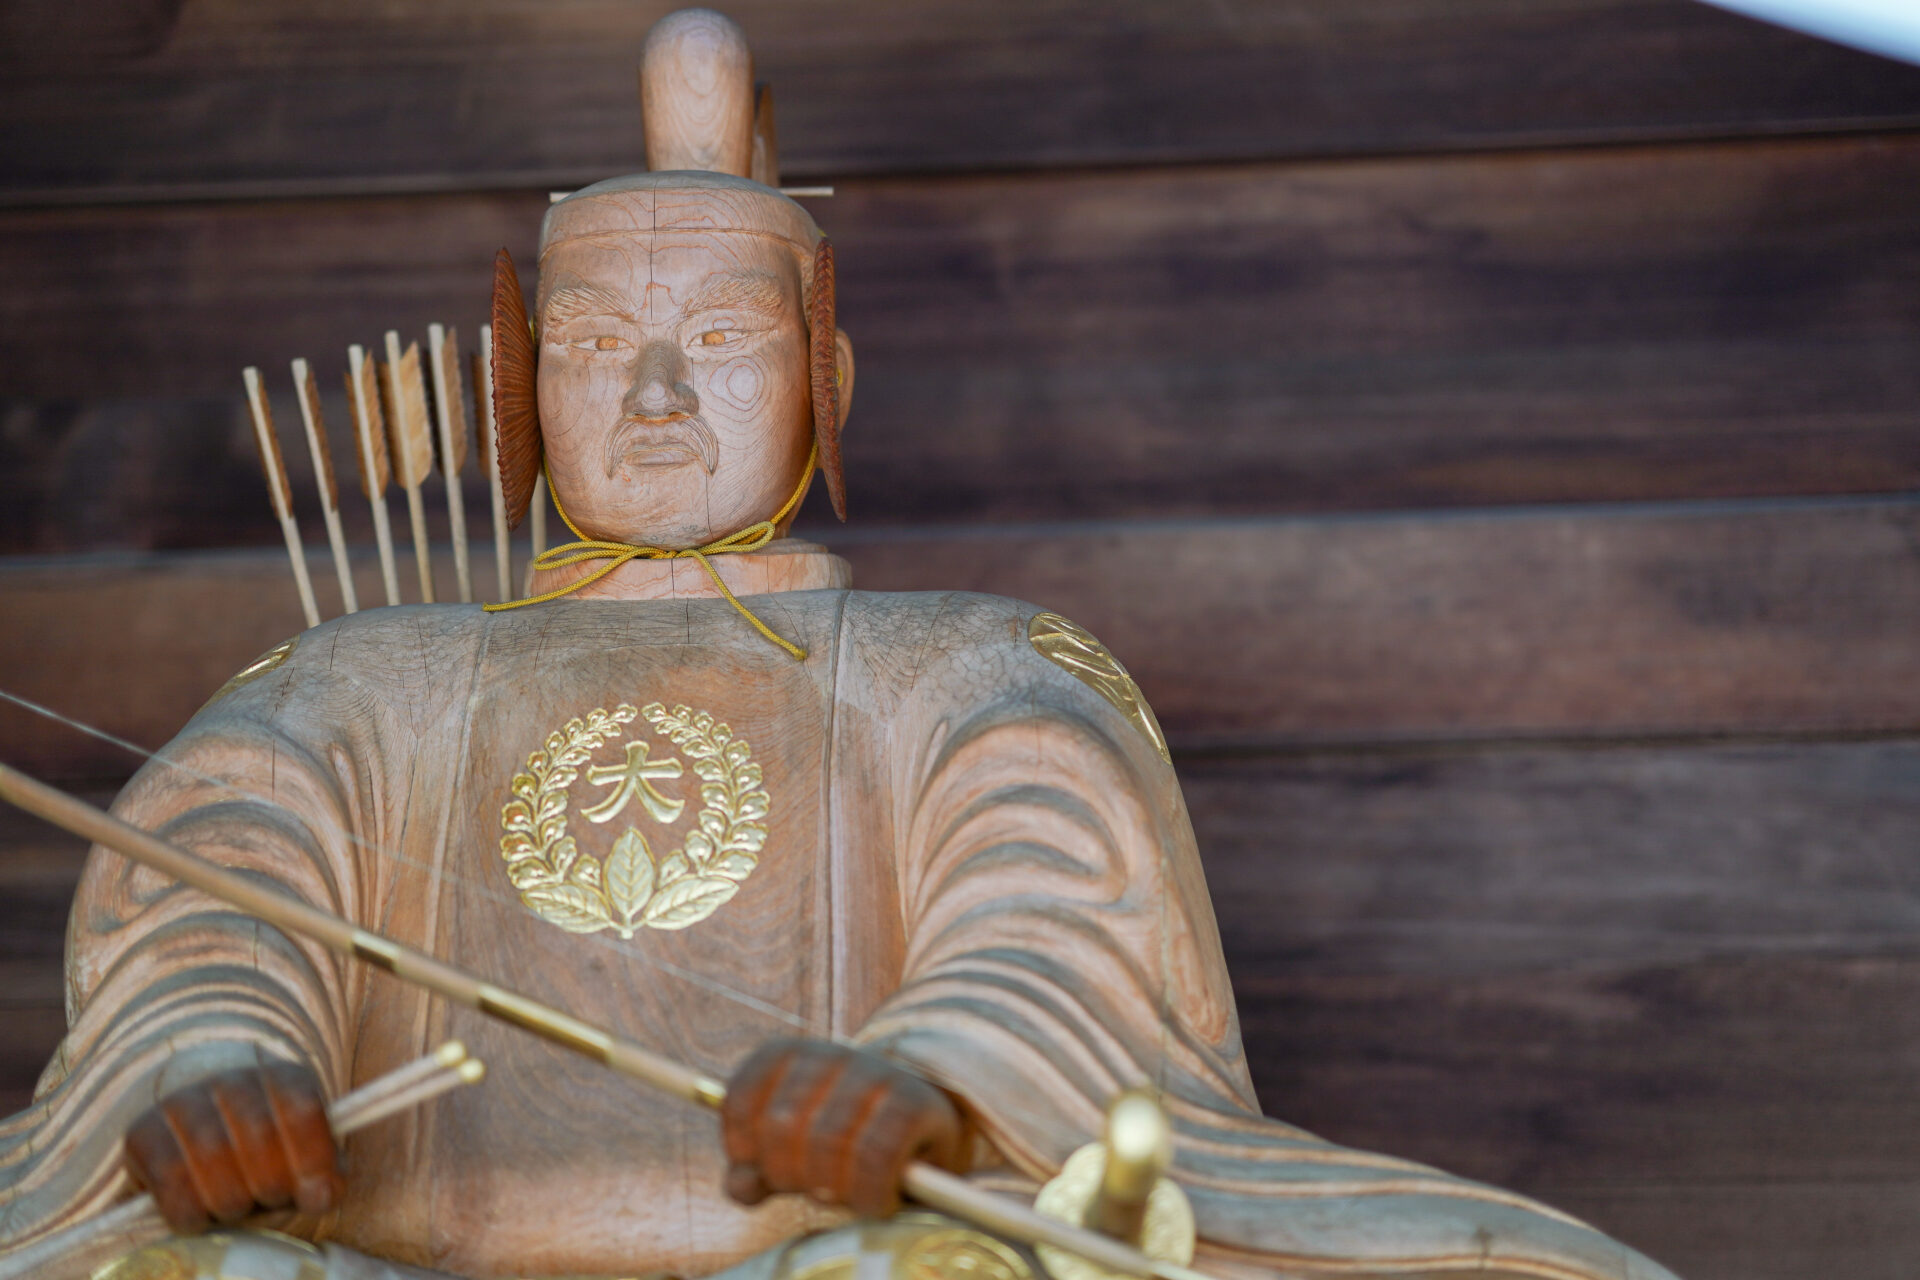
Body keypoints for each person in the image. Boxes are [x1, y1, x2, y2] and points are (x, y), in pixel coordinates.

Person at [0, 11, 1679, 1280]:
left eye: (724, 336)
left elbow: (1049, 905)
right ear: (520, 390)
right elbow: (222, 885)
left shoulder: (964, 667)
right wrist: (216, 1063)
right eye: (593, 342)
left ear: (829, 380)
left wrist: (929, 1076)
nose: (658, 395)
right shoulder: (370, 680)